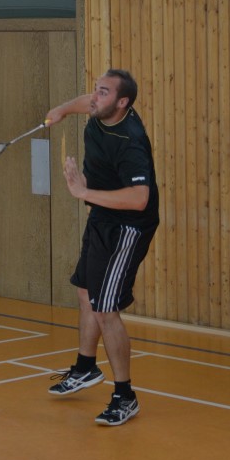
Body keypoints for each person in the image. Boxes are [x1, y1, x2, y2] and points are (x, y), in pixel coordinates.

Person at [46, 69, 159, 426]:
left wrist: (84, 192)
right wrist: (62, 110)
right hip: (101, 217)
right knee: (85, 291)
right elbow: (86, 103)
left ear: (122, 102)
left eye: (104, 92)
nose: (94, 97)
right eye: (96, 89)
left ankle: (125, 396)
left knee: (105, 308)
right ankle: (85, 367)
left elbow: (140, 198)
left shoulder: (131, 141)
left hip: (127, 227)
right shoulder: (100, 110)